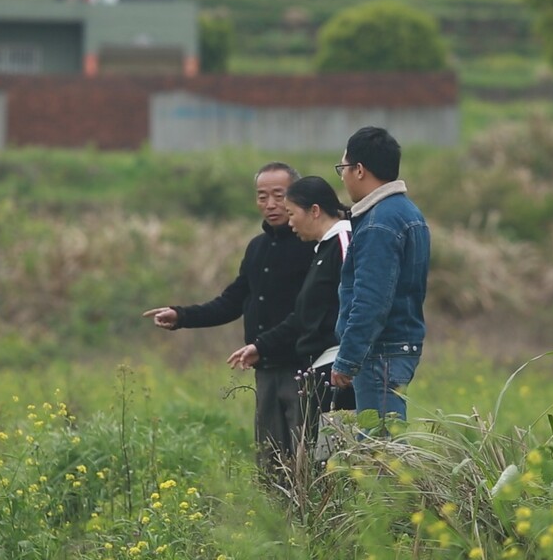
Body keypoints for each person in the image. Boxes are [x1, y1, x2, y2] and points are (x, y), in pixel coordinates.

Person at [142, 162, 315, 476]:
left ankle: (314, 521)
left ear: (297, 198)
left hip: (304, 369)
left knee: (309, 457)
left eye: (279, 195)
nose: (271, 204)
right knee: (270, 462)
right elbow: (232, 301)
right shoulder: (257, 248)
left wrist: (263, 344)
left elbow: (310, 313)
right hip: (265, 368)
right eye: (262, 197)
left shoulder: (314, 245)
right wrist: (181, 316)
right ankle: (276, 523)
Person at [226, 176, 357, 445]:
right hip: (319, 370)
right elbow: (303, 316)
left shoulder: (344, 241)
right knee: (316, 461)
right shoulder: (322, 249)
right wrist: (261, 346)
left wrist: (349, 359)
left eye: (292, 213)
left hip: (338, 371)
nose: (290, 221)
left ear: (315, 211)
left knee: (338, 461)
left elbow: (359, 302)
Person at [331, 126, 430, 424]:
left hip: (381, 352)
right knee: (386, 447)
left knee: (379, 451)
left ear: (359, 170)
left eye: (343, 168)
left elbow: (371, 300)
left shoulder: (378, 224)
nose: (344, 176)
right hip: (399, 346)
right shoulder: (407, 212)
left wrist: (347, 359)